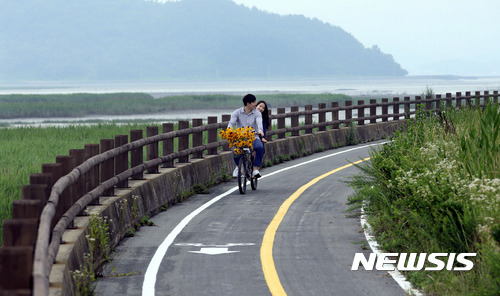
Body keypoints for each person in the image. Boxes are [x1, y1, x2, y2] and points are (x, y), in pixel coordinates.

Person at [228, 94, 265, 178]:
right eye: (254, 102)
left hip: (253, 137)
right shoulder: (237, 112)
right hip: (240, 138)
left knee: (259, 147)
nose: (255, 104)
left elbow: (259, 123)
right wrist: (229, 130)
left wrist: (260, 130)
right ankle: (238, 167)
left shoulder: (257, 113)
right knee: (234, 149)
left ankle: (255, 169)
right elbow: (231, 123)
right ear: (248, 104)